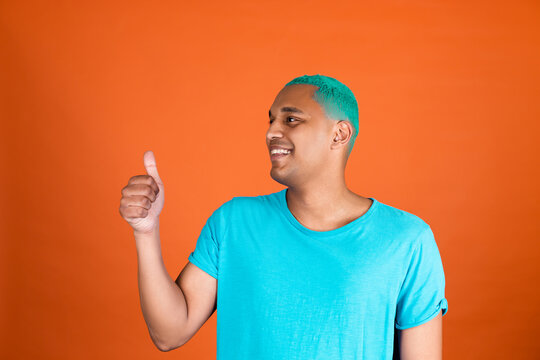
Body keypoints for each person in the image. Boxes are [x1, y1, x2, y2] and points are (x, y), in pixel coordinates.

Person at [119, 74, 448, 359]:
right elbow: (169, 334)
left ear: (340, 134)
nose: (271, 132)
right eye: (271, 120)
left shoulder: (406, 240)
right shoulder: (233, 223)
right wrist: (145, 232)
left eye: (291, 119)